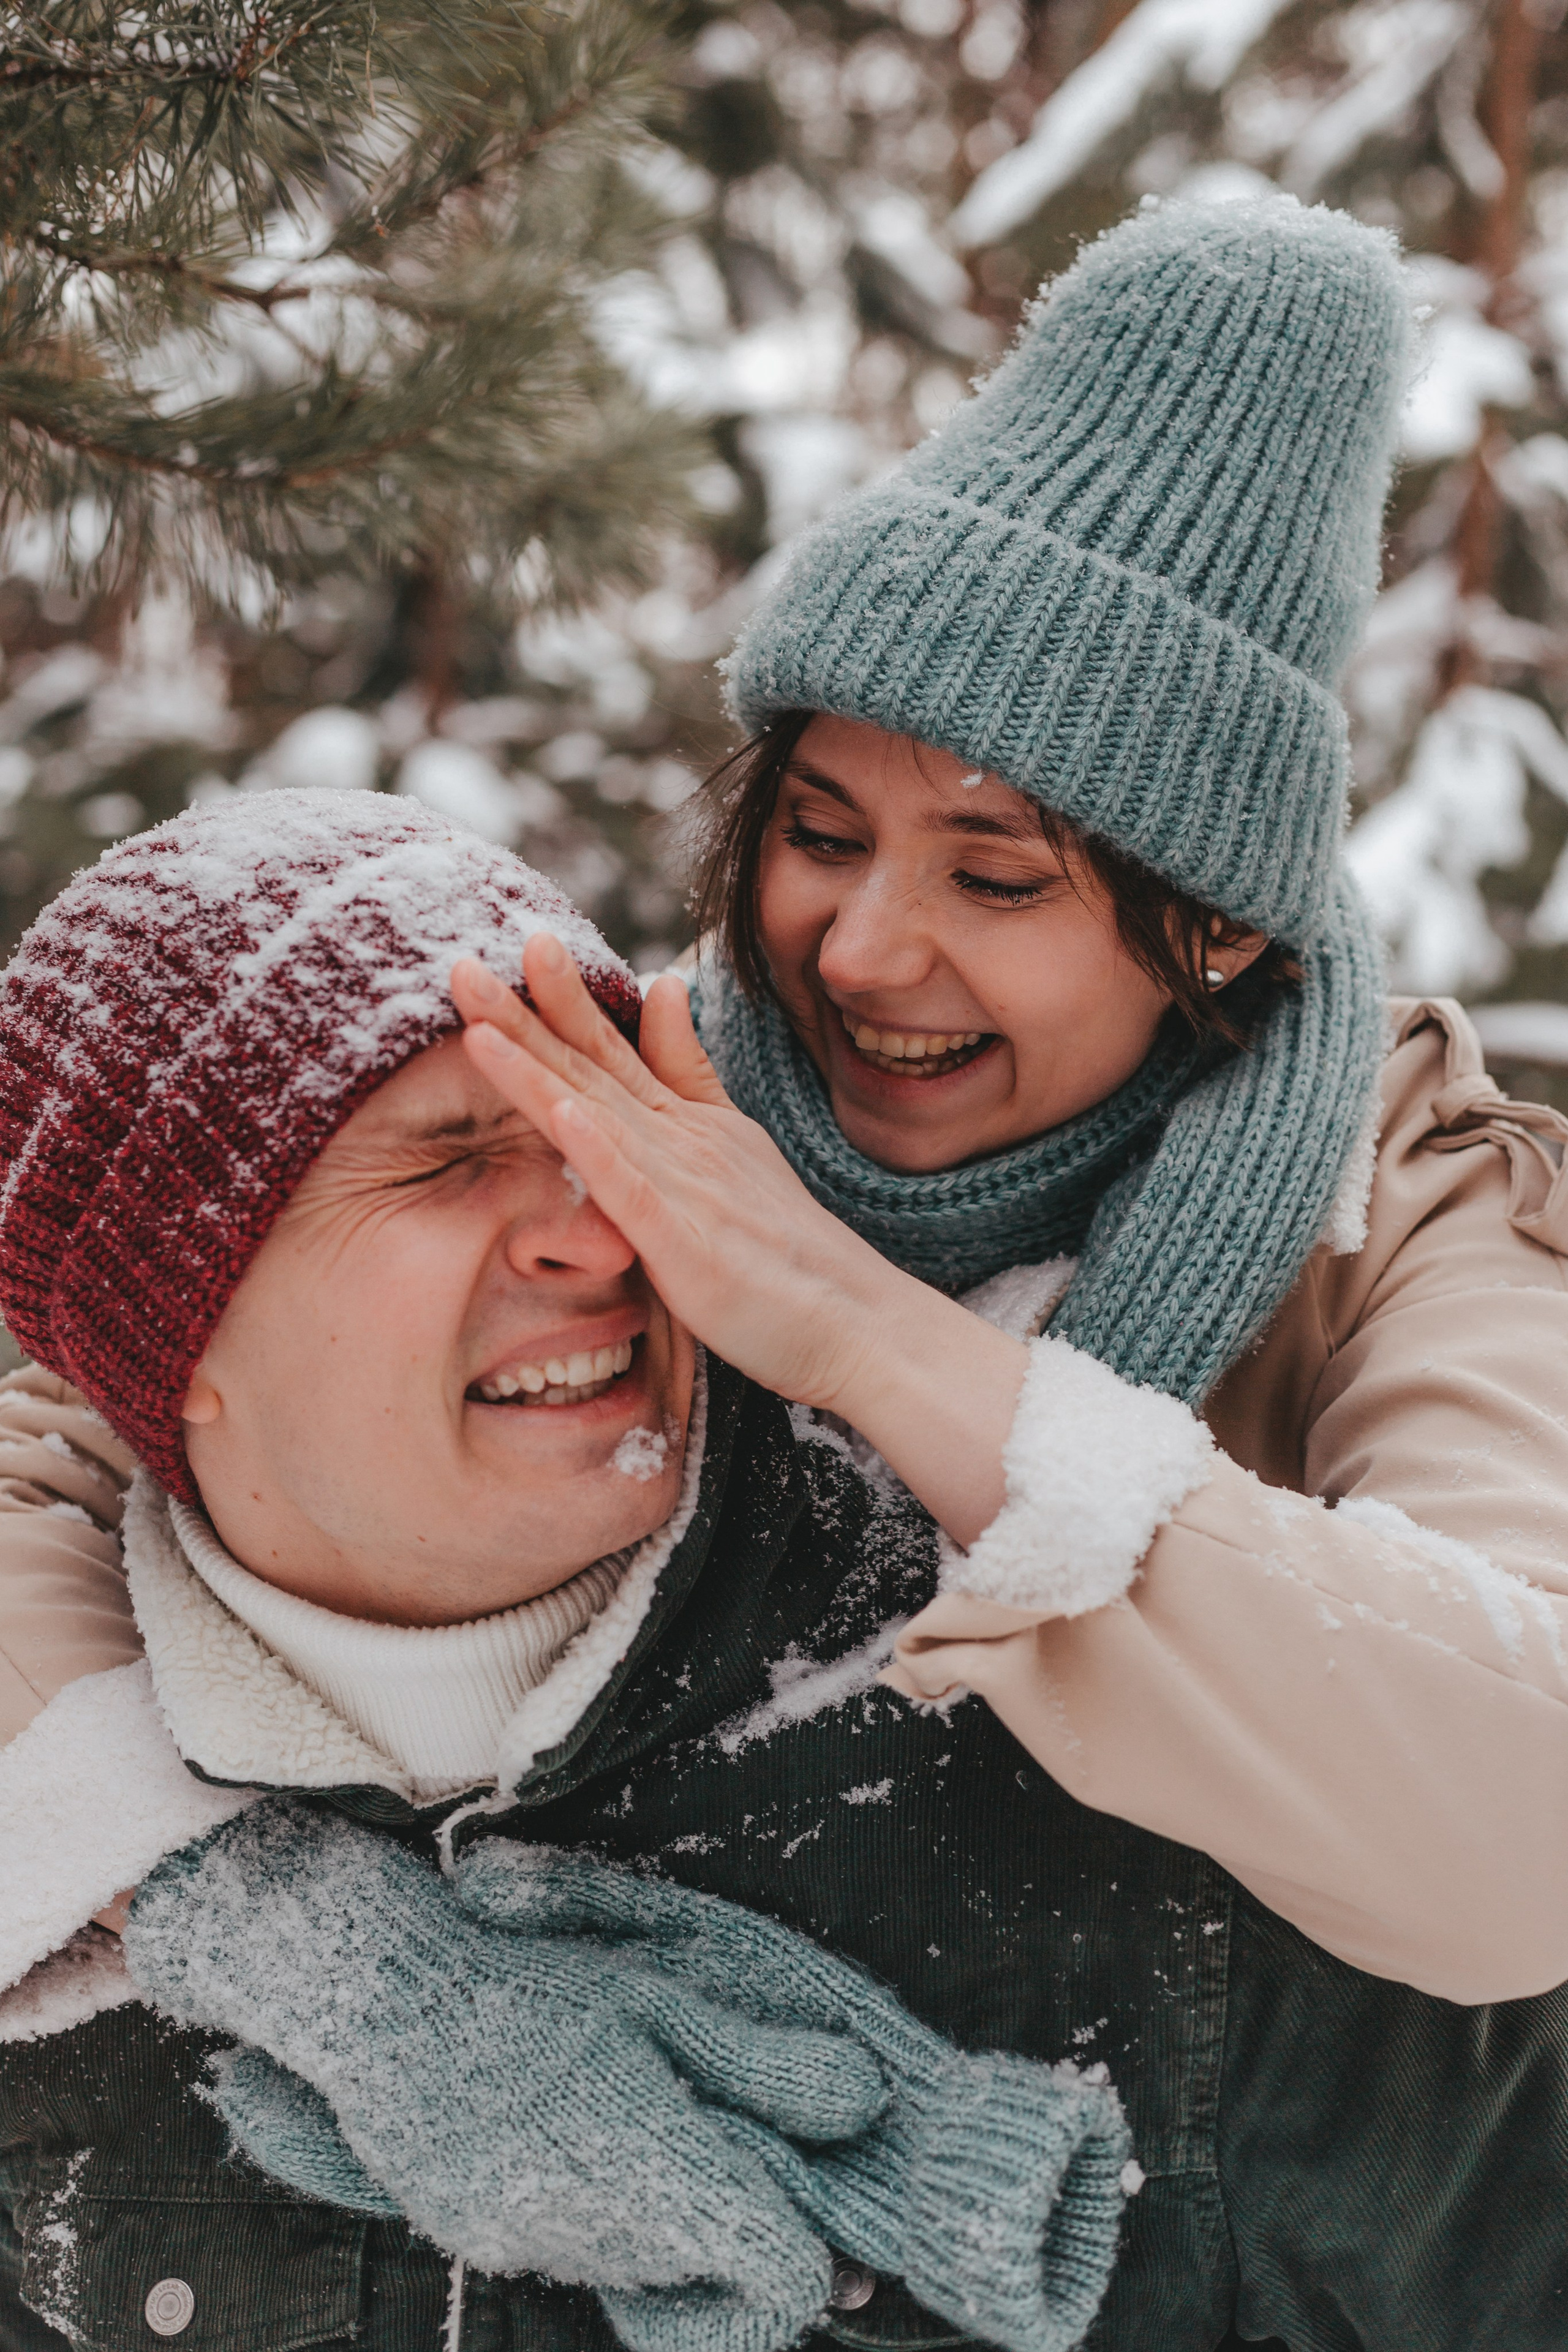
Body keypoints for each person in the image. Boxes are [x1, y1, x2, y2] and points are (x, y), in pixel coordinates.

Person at [5, 190, 1568, 2351]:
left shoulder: (1405, 1214)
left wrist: (848, 1331)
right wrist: (248, 1914)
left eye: (995, 870)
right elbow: (66, 1429)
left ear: (1218, 925)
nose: (859, 950)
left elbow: (1522, 1825)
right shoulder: (620, 1088)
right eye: (820, 831)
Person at [0, 788, 1131, 2352]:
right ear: (173, 1341)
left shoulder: (1056, 1717)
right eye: (445, 1159)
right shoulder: (54, 1937)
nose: (600, 1237)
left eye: (610, 1135)